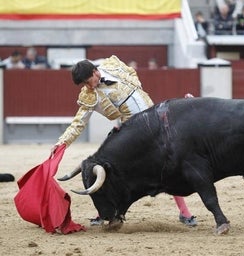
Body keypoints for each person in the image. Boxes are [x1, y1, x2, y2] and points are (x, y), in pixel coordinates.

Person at [52, 55, 197, 227]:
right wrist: (63, 142)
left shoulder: (113, 66)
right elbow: (79, 122)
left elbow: (137, 87)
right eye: (84, 83)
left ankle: (184, 212)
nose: (88, 85)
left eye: (88, 80)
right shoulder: (89, 95)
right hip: (132, 133)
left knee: (168, 165)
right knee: (110, 168)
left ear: (95, 71)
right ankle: (105, 213)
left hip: (154, 120)